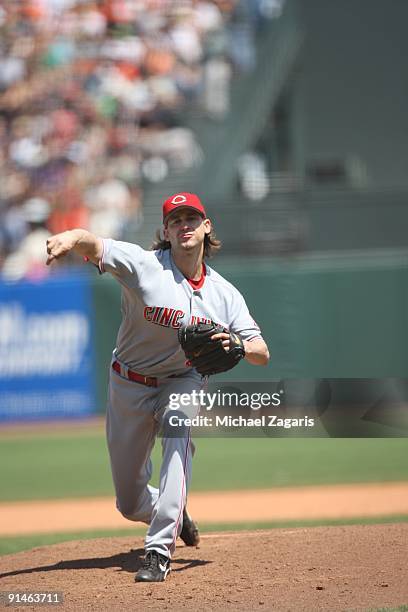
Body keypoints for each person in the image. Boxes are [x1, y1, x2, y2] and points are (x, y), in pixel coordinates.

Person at [45, 192, 270, 582]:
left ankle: (158, 551)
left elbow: (261, 351)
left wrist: (239, 345)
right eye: (175, 220)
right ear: (166, 230)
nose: (184, 225)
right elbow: (94, 243)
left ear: (206, 226)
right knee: (129, 503)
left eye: (191, 218)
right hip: (129, 381)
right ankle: (173, 510)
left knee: (179, 433)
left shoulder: (224, 294)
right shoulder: (144, 266)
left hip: (182, 380)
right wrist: (70, 237)